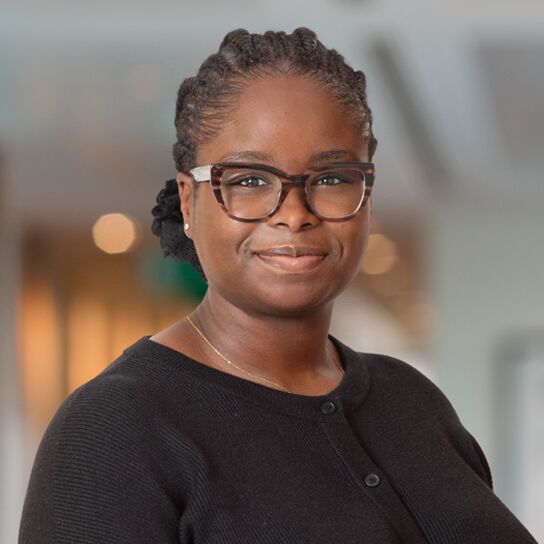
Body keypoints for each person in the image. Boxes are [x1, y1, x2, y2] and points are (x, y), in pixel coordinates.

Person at [19, 27, 538, 544]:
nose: (294, 214)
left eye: (332, 178)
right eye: (249, 180)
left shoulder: (412, 400)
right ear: (189, 201)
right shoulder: (114, 428)